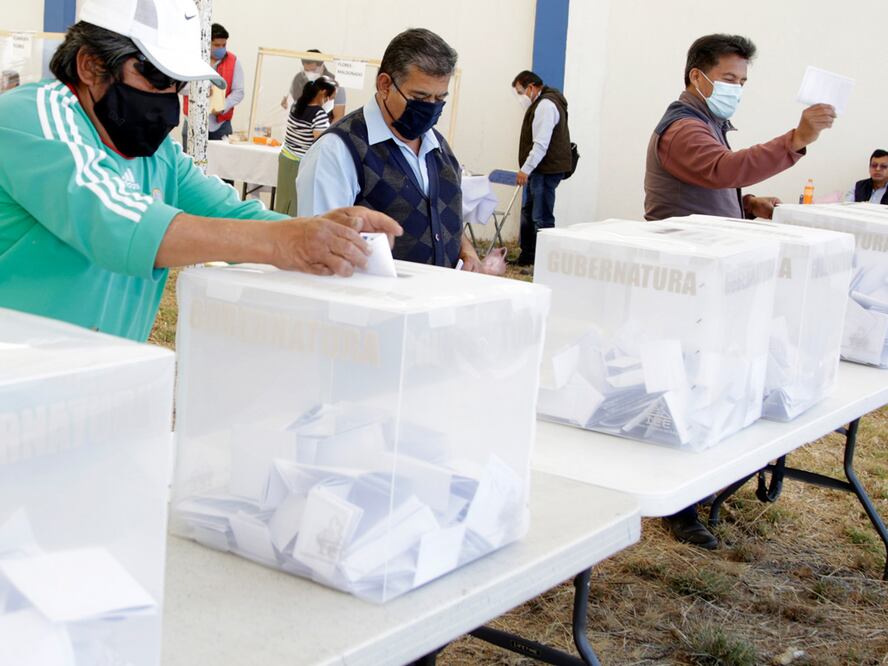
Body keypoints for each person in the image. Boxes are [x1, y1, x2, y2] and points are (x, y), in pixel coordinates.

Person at [0, 0, 400, 343]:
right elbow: (119, 225)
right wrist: (286, 240)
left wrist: (322, 233)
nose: (169, 99)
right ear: (90, 66)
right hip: (21, 389)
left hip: (102, 388)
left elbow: (237, 216)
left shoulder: (157, 155)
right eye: (156, 77)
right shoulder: (30, 119)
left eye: (178, 83)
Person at [644, 33, 836, 549]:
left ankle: (700, 486)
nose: (736, 89)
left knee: (708, 382)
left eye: (742, 82)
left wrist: (743, 202)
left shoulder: (707, 123)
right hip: (684, 279)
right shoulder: (683, 127)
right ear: (697, 77)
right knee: (684, 386)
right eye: (729, 79)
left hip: (706, 272)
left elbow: (714, 183)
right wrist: (795, 138)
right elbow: (718, 167)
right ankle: (678, 505)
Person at [296, 28, 482, 271]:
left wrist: (465, 248)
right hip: (372, 305)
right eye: (420, 97)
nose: (431, 108)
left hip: (437, 303)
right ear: (385, 84)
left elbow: (440, 217)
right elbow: (319, 248)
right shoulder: (337, 151)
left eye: (439, 99)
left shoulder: (438, 147)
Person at [511, 70, 573, 266]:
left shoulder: (546, 106)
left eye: (520, 92)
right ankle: (528, 257)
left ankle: (545, 263)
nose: (520, 97)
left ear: (531, 87)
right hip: (541, 170)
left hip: (545, 171)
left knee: (542, 217)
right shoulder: (543, 103)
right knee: (529, 213)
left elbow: (540, 144)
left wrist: (525, 169)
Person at [275, 76, 338, 216]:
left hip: (286, 158)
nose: (329, 101)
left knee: (282, 202)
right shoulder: (319, 114)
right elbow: (320, 140)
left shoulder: (297, 105)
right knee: (297, 205)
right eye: (329, 97)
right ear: (322, 93)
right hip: (300, 163)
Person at [181, 22, 244, 146]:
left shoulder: (233, 62)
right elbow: (180, 86)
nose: (221, 48)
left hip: (221, 126)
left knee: (220, 164)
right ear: (206, 43)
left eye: (224, 45)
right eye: (217, 45)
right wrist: (200, 90)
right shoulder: (192, 59)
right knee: (189, 162)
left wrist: (222, 106)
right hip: (193, 122)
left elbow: (239, 92)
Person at [281, 49, 347, 123]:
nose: (309, 74)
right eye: (306, 70)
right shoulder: (298, 78)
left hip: (323, 128)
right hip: (299, 128)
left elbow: (338, 116)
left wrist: (326, 133)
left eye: (313, 70)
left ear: (322, 65)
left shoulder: (336, 85)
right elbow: (291, 105)